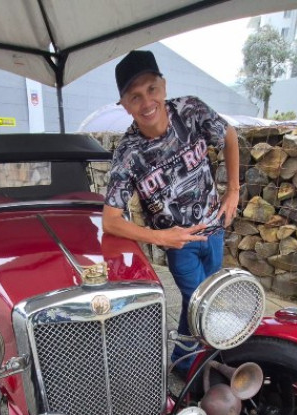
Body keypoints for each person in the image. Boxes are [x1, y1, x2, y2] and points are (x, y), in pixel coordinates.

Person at [102, 50, 240, 374]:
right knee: (199, 301)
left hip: (215, 228)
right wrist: (160, 236)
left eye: (151, 89)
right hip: (180, 244)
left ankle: (182, 359)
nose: (146, 101)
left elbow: (230, 136)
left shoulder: (190, 111)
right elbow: (110, 220)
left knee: (203, 299)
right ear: (124, 104)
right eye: (134, 97)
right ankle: (204, 368)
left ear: (163, 85)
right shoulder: (127, 153)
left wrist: (233, 190)